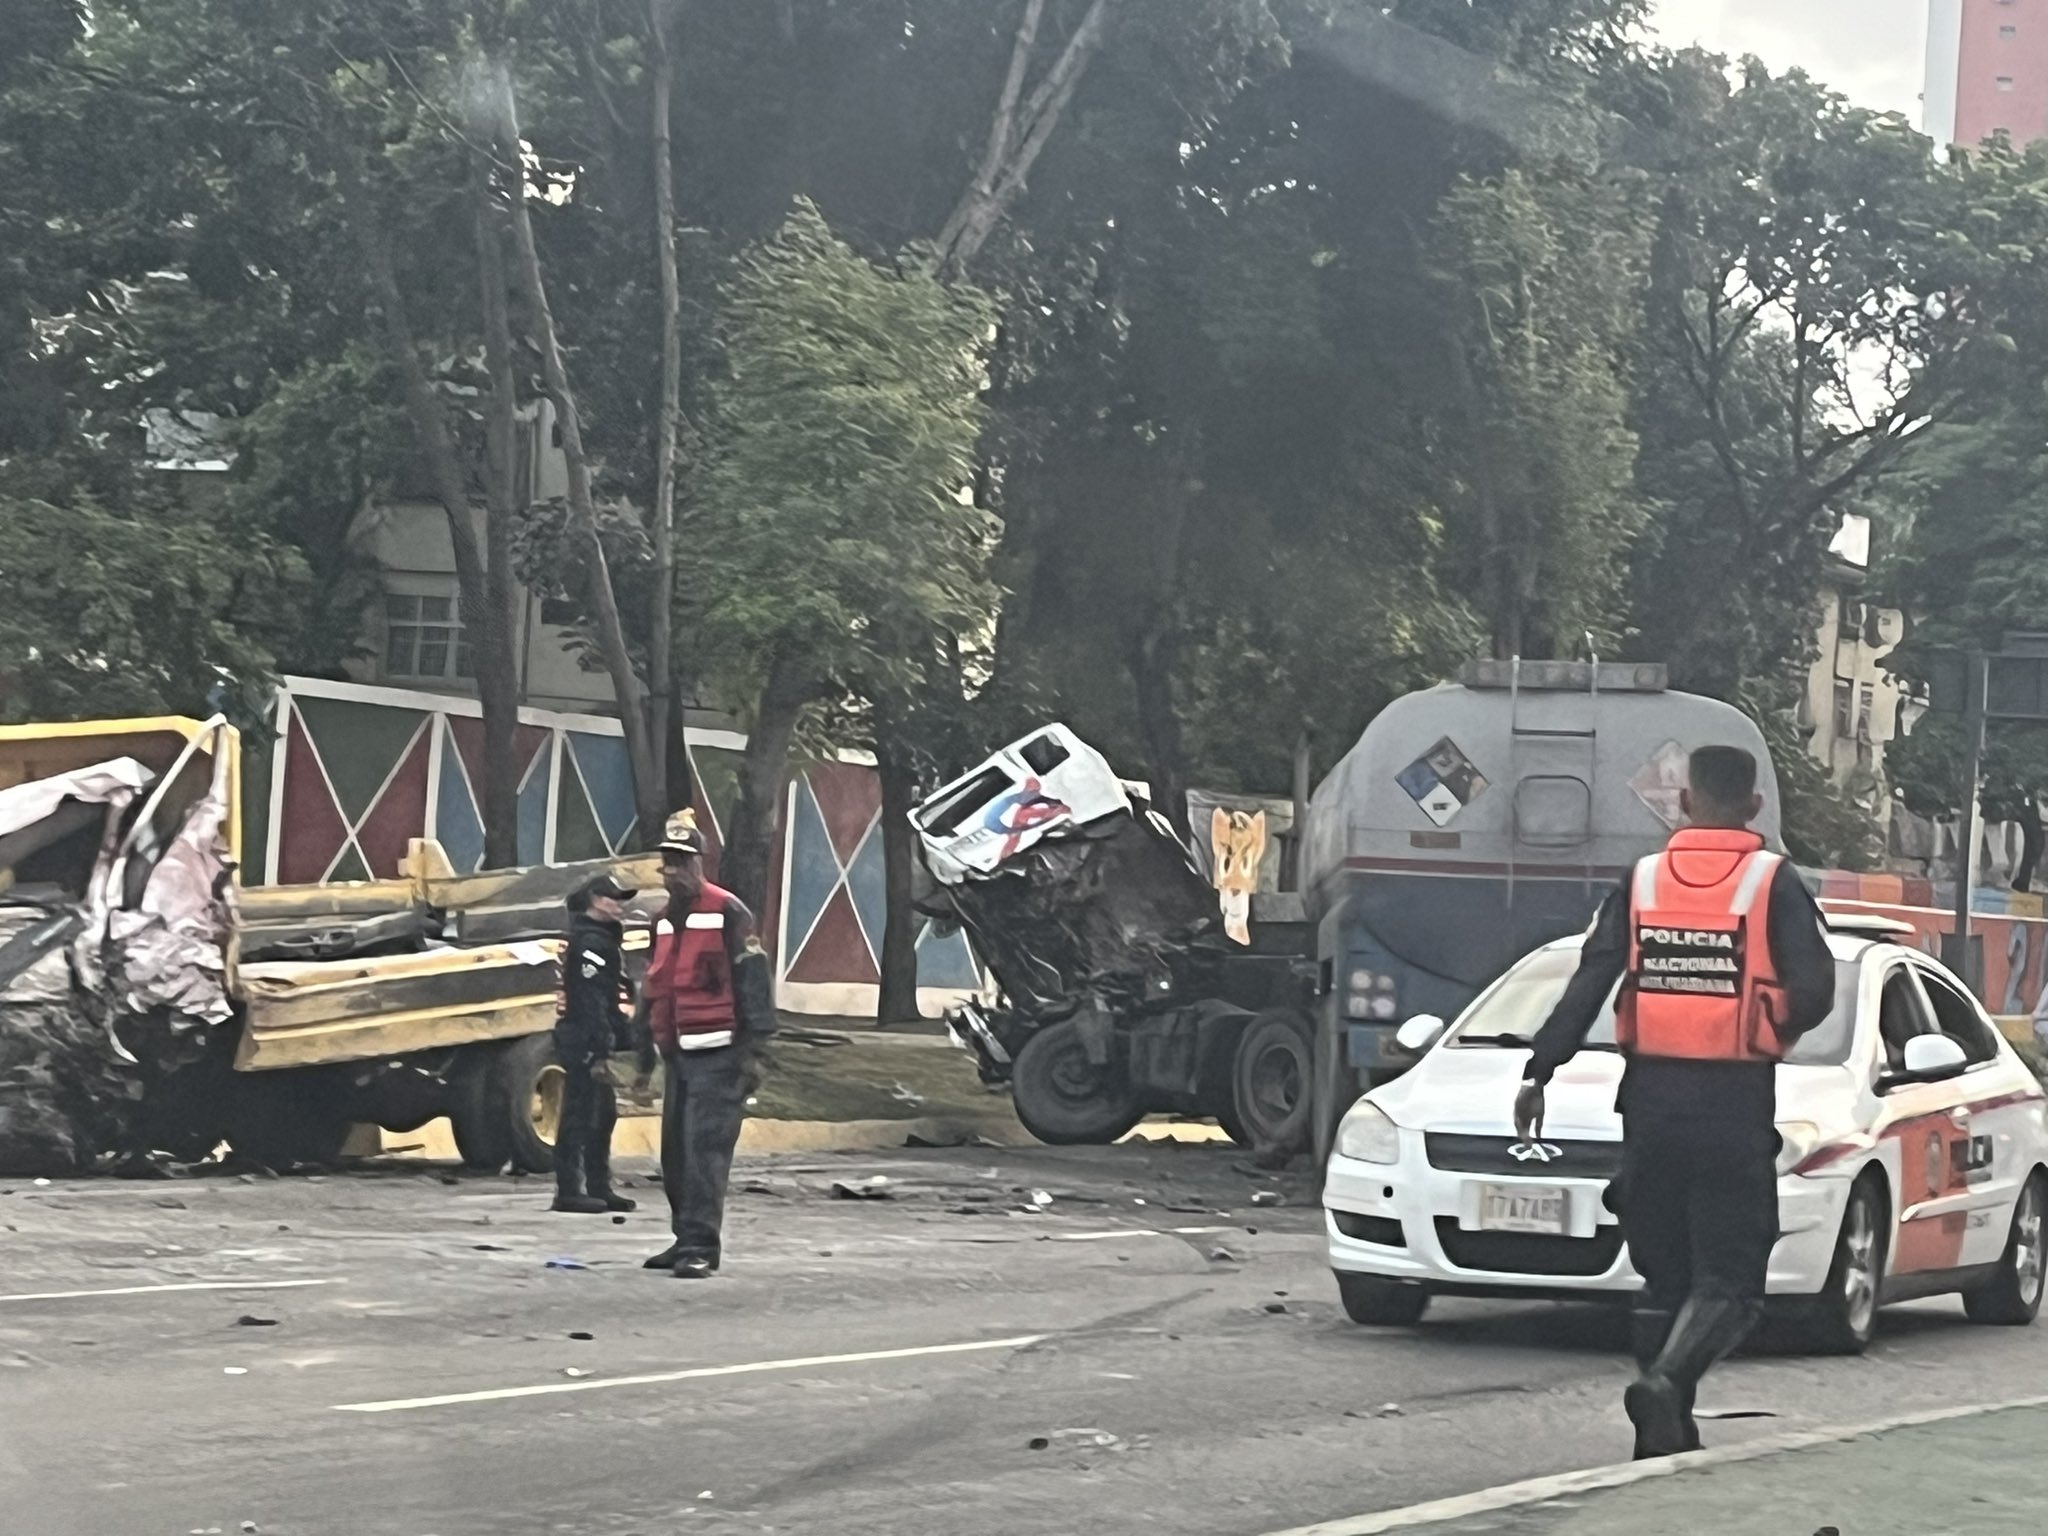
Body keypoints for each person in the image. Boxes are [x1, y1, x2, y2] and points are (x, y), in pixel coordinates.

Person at [1513, 745, 1835, 1459]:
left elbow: (1591, 978)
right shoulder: (1772, 883)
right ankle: (1665, 1388)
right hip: (1731, 1105)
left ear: (1686, 804)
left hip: (1648, 1106)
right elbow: (1816, 989)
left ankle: (1664, 1431)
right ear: (1753, 807)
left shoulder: (1642, 881)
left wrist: (1541, 1067)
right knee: (1732, 1282)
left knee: (1665, 1277)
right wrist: (1766, 1022)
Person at [635, 810, 777, 1279]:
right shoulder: (661, 922)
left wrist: (753, 1050)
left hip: (721, 1054)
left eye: (683, 861)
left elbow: (753, 981)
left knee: (704, 1151)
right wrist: (643, 1054)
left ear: (700, 863)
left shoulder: (729, 912)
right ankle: (684, 1237)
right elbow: (652, 990)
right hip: (678, 1055)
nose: (674, 870)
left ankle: (701, 1245)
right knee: (674, 1155)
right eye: (668, 861)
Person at [551, 873, 639, 1216]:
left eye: (621, 900)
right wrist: (599, 1044)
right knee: (580, 1114)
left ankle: (599, 1186)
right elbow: (590, 999)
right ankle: (570, 1190)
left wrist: (624, 1037)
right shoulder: (589, 942)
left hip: (598, 1039)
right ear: (595, 901)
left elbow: (612, 997)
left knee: (603, 1114)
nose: (619, 905)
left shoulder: (604, 940)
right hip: (584, 1040)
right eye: (613, 898)